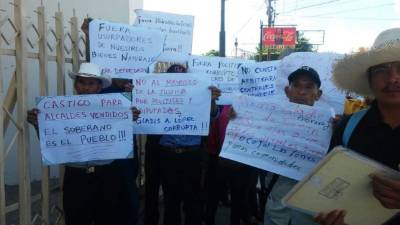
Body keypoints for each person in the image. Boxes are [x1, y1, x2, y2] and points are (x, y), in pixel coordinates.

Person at [27, 63, 141, 225]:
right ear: (75, 85)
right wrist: (39, 124)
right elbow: (54, 143)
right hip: (76, 178)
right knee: (76, 219)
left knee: (108, 219)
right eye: (82, 82)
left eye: (91, 83)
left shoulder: (115, 109)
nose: (86, 88)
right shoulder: (60, 111)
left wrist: (129, 119)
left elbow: (122, 139)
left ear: (99, 87)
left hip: (107, 176)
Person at [314, 28, 400, 225]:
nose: (393, 78)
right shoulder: (348, 126)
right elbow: (327, 184)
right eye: (381, 70)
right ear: (369, 79)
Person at [144, 64, 221, 225]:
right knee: (171, 201)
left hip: (192, 156)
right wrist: (137, 92)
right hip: (167, 154)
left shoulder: (199, 93)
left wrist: (212, 100)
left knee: (193, 201)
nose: (178, 81)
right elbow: (143, 113)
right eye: (173, 78)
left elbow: (213, 116)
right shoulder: (159, 95)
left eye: (182, 77)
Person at [264, 66, 323, 225]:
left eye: (309, 87)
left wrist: (338, 133)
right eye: (296, 85)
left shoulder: (332, 129)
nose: (302, 92)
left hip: (311, 216)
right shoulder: (266, 122)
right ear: (287, 91)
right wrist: (238, 123)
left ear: (318, 94)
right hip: (276, 211)